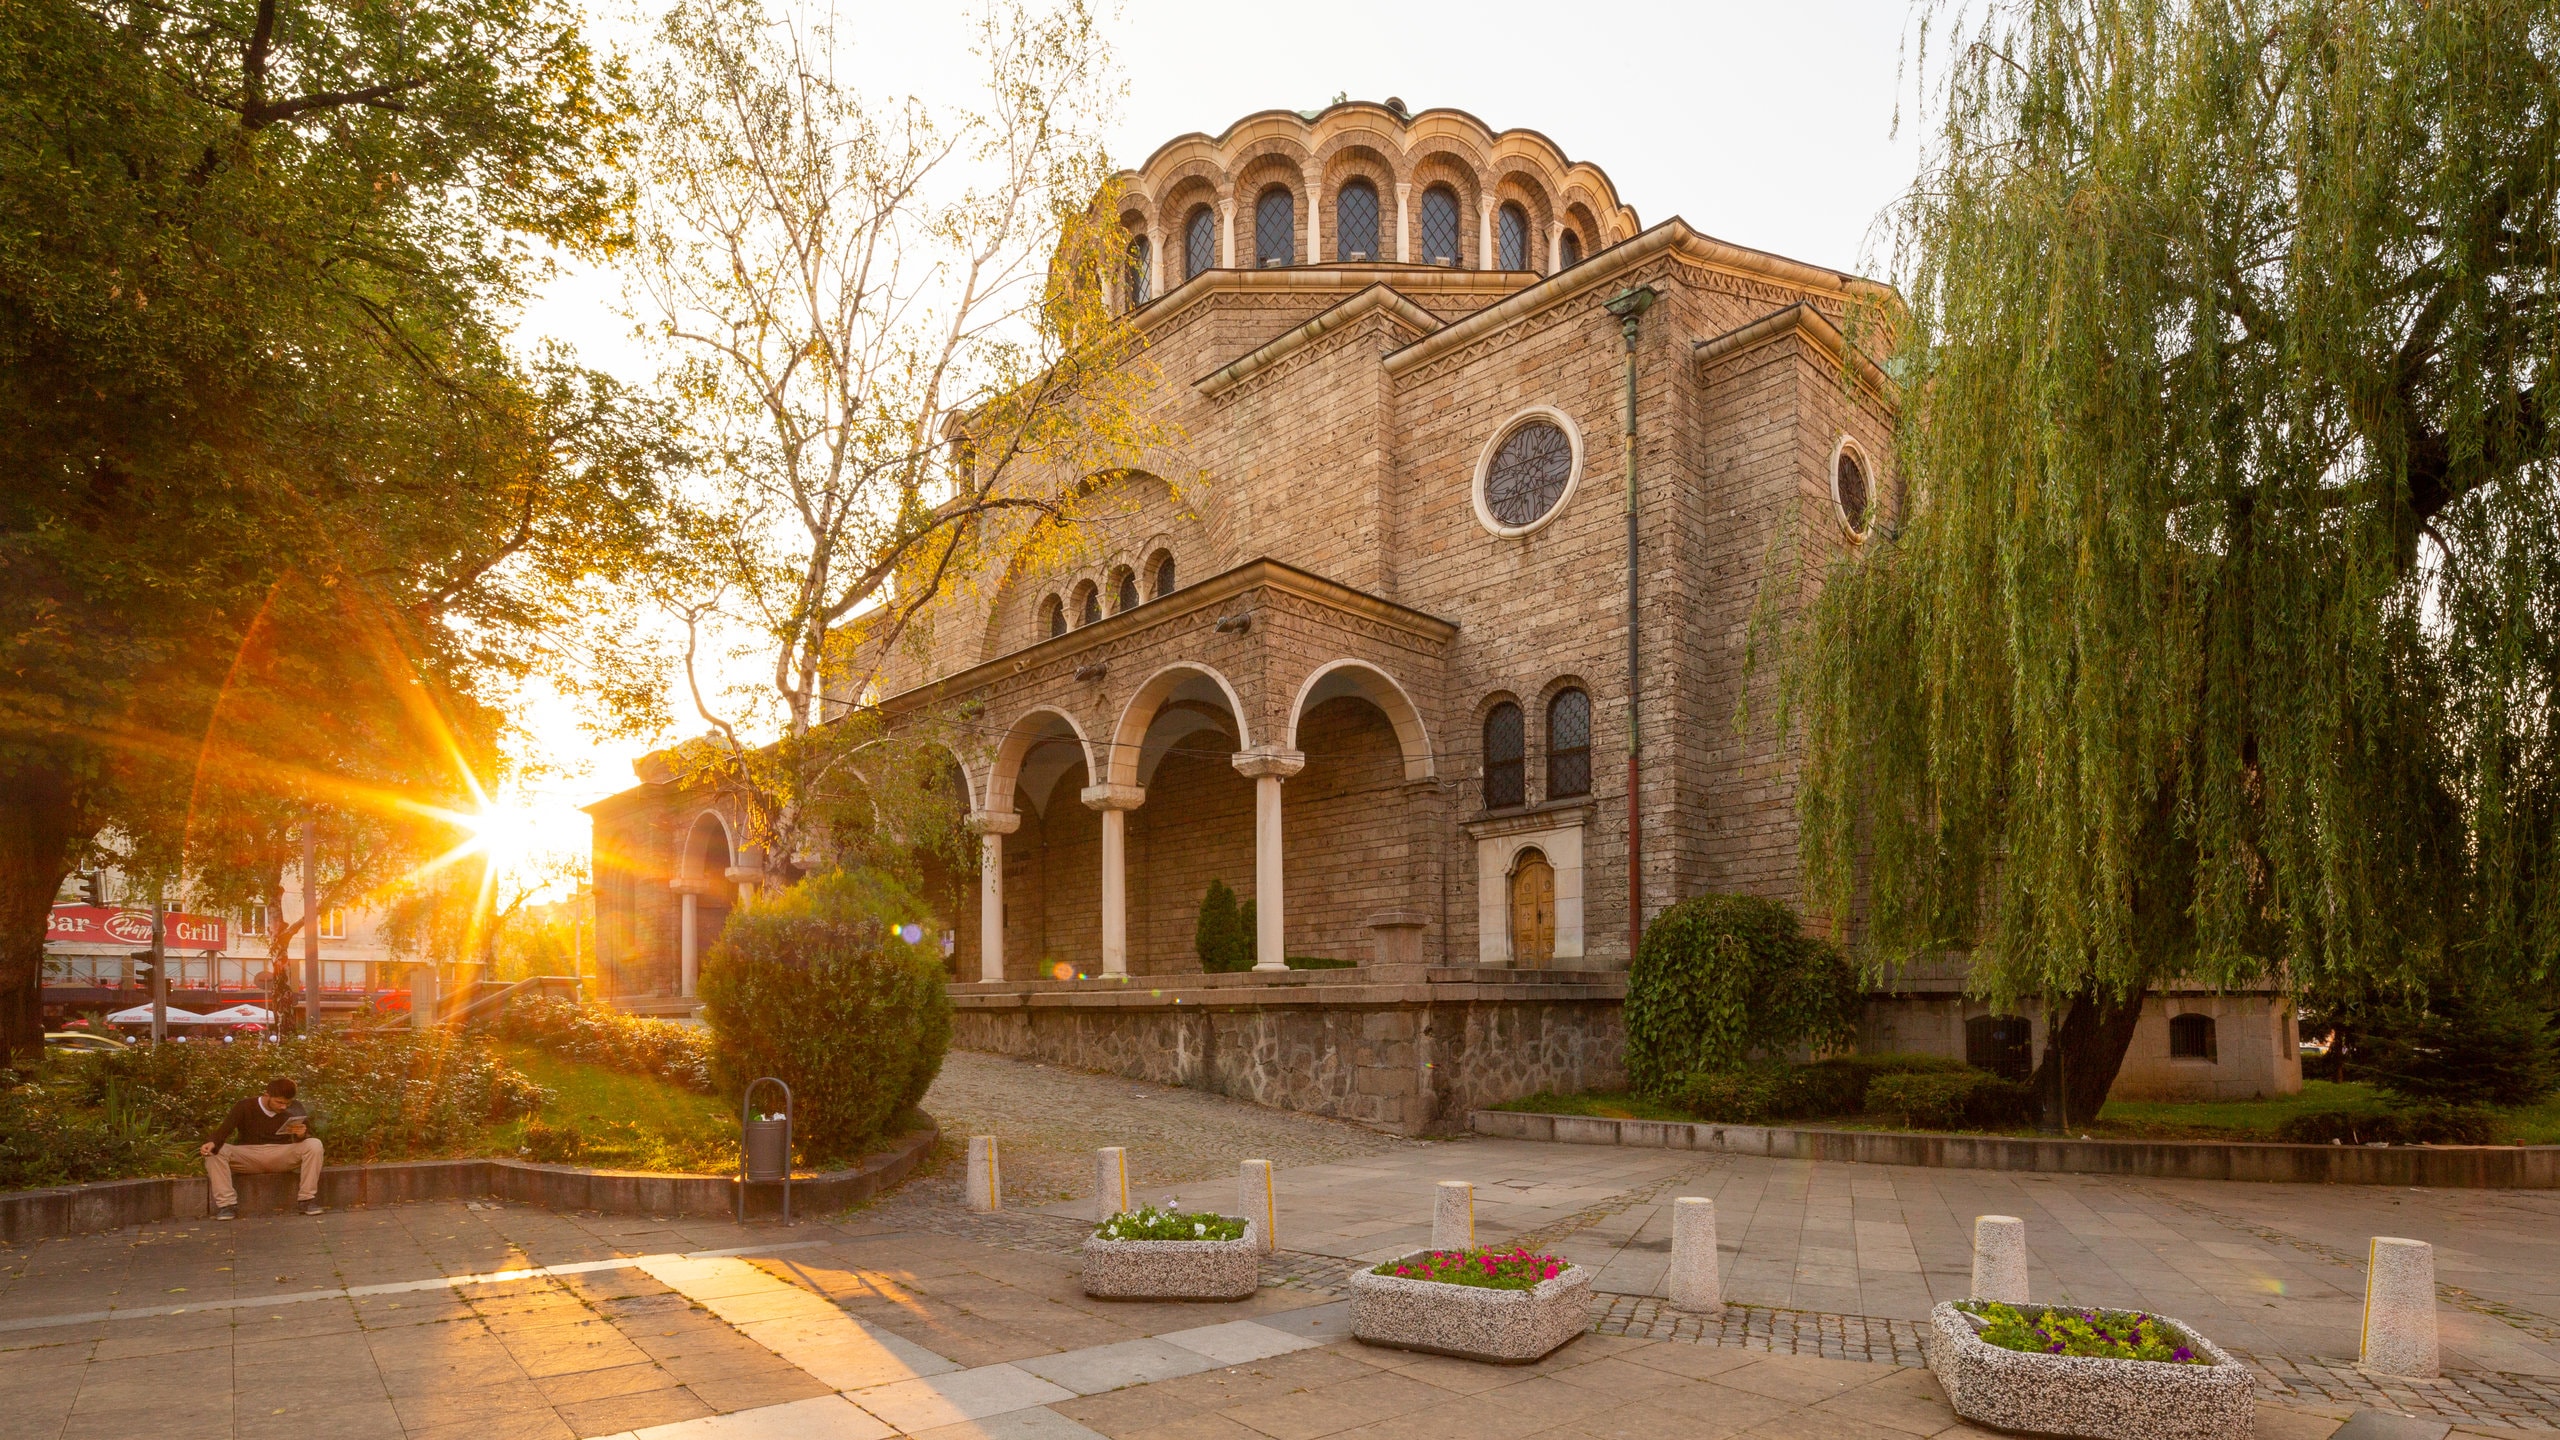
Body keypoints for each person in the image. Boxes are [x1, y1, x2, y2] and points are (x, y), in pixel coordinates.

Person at [201, 1077, 323, 1219]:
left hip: (280, 1155)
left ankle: (306, 1200)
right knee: (215, 1151)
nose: (283, 1107)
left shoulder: (295, 1107)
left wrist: (302, 1135)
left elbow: (302, 1140)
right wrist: (212, 1142)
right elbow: (224, 1130)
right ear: (267, 1095)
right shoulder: (244, 1106)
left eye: (287, 1103)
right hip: (249, 1155)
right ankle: (227, 1206)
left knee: (314, 1144)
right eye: (279, 1102)